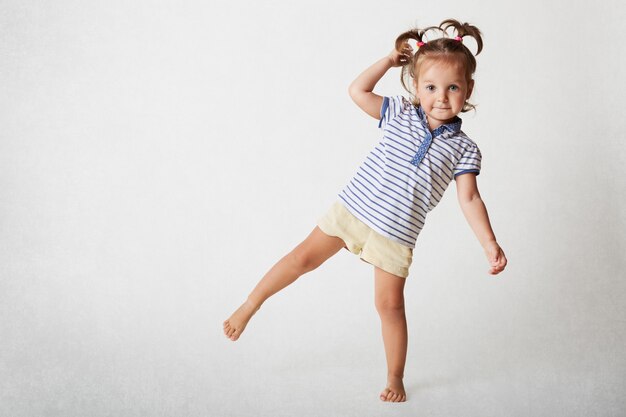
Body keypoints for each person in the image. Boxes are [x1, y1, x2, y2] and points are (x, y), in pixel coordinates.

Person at [223, 18, 508, 403]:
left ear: (468, 89)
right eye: (431, 87)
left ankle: (395, 376)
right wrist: (388, 60)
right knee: (301, 258)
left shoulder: (465, 149)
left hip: (397, 235)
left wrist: (489, 242)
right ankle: (250, 304)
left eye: (452, 87)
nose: (441, 97)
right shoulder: (399, 114)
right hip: (353, 211)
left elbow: (470, 198)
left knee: (389, 306)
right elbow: (357, 90)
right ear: (415, 86)